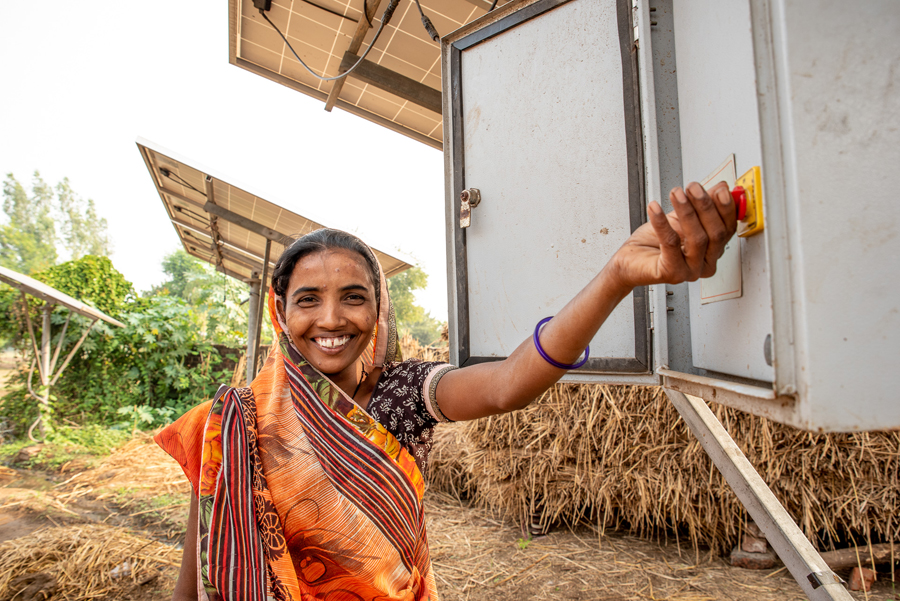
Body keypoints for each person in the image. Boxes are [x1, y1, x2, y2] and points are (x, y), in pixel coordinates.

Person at [157, 182, 737, 600]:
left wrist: (616, 276)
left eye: (354, 297)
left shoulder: (402, 394)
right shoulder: (229, 421)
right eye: (308, 300)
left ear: (378, 310)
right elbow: (199, 567)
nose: (331, 319)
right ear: (280, 311)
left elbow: (508, 384)